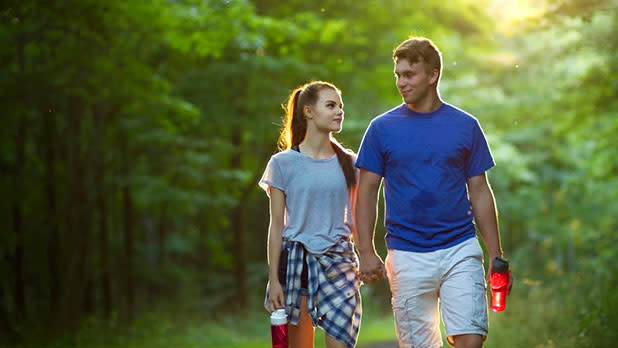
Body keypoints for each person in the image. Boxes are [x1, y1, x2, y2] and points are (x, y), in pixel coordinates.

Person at [355, 37, 511, 348]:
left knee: (471, 339)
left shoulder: (466, 126)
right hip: (406, 253)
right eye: (398, 74)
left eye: (409, 74)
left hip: (460, 248)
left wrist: (496, 255)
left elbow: (480, 191)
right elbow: (367, 191)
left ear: (433, 74)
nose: (401, 82)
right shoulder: (381, 129)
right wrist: (366, 250)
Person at [260, 81, 362, 348]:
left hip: (339, 263)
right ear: (308, 111)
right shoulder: (282, 163)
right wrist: (273, 280)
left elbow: (359, 220)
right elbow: (276, 227)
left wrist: (367, 255)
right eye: (331, 105)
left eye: (340, 106)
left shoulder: (351, 163)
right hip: (296, 263)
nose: (339, 111)